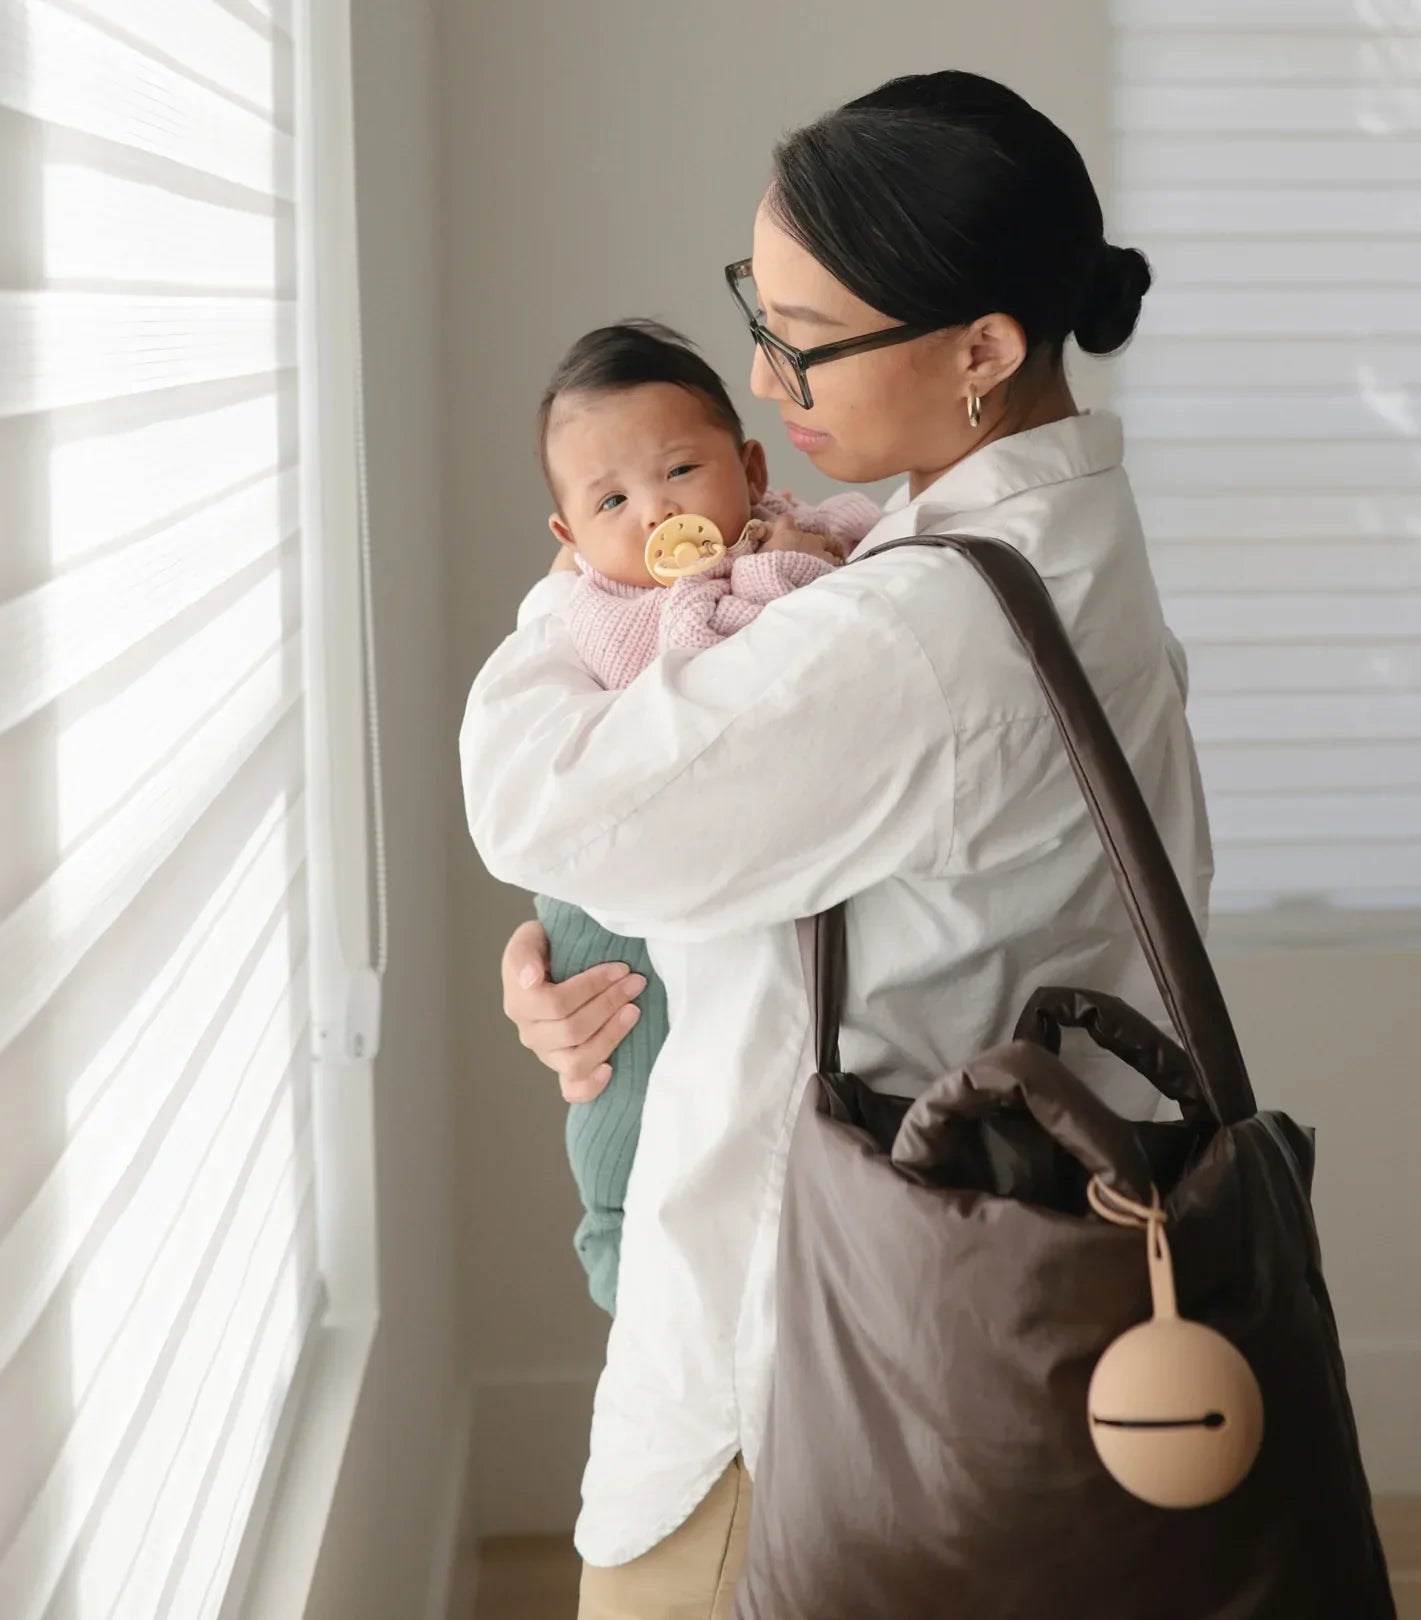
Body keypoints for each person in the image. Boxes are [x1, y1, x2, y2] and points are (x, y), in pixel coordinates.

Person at [461, 69, 1213, 1620]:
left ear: (984, 351)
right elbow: (848, 874)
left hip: (795, 1382)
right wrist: (631, 960)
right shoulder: (1041, 539)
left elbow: (535, 800)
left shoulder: (920, 628)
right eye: (757, 302)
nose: (759, 367)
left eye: (803, 335)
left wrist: (588, 581)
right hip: (947, 1326)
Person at [524, 318, 881, 1314]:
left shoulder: (802, 521)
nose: (657, 512)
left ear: (750, 463)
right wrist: (767, 569)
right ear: (569, 541)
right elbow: (699, 668)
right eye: (612, 501)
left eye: (682, 469)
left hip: (696, 871)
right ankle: (616, 1239)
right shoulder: (605, 606)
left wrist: (791, 548)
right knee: (620, 1081)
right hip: (600, 911)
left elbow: (848, 561)